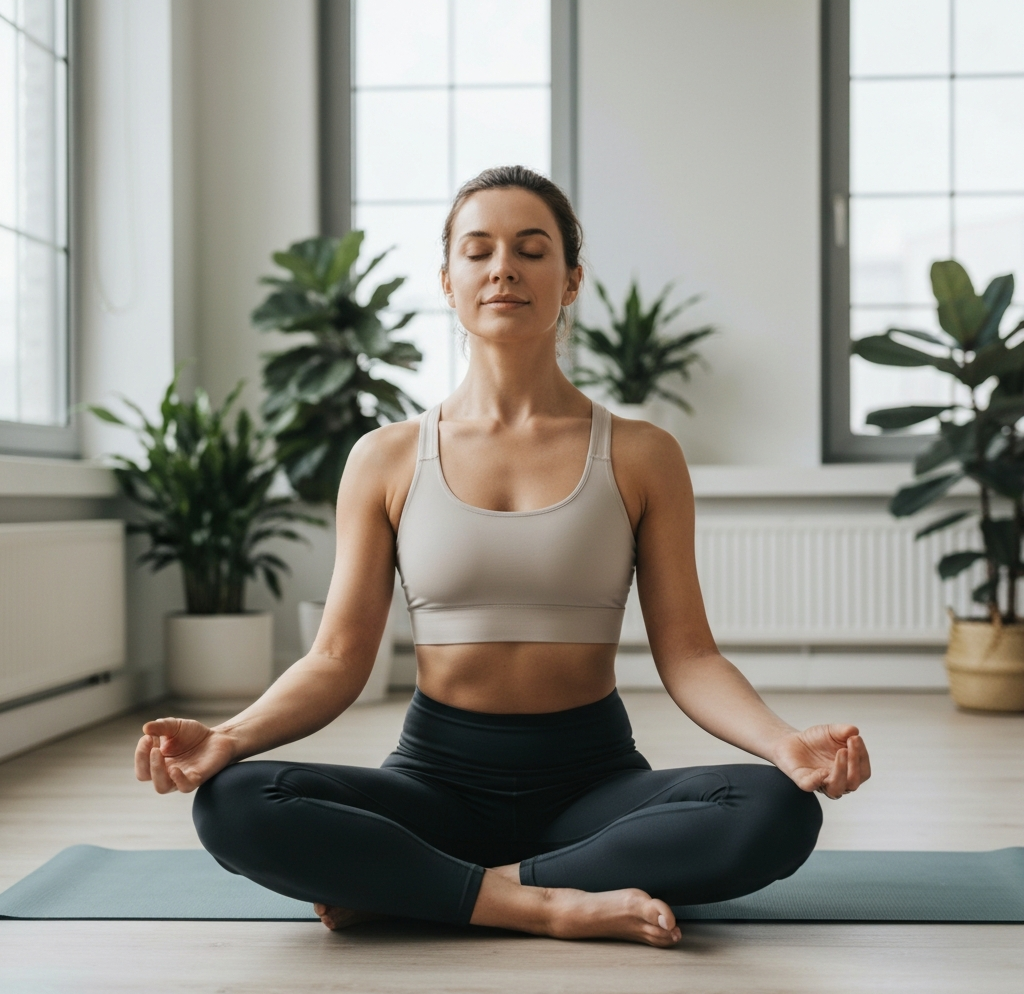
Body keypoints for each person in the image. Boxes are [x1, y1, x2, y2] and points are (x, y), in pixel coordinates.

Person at [136, 166, 870, 948]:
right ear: (447, 281)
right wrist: (231, 737)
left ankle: (425, 889)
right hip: (433, 785)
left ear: (572, 279)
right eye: (478, 250)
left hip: (593, 787)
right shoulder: (386, 458)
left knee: (777, 809)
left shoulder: (642, 454)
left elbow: (690, 658)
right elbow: (338, 658)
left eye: (532, 249)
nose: (503, 269)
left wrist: (782, 742)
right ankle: (546, 902)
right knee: (234, 801)